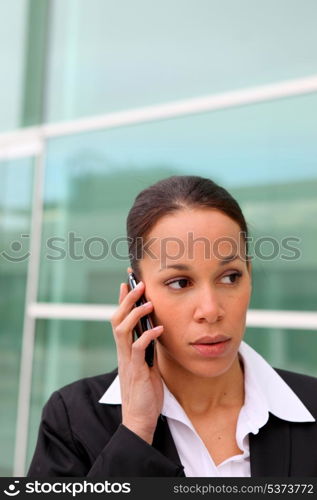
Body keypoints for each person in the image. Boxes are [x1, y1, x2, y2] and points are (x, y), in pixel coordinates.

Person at [28, 175, 317, 477]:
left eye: (230, 276)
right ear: (136, 291)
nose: (210, 310)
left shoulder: (311, 405)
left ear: (250, 275)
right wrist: (136, 431)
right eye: (180, 282)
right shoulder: (73, 420)